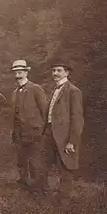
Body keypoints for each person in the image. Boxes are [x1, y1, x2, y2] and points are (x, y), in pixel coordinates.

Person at [42, 59, 84, 201]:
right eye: (53, 70)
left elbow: (77, 118)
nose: (55, 73)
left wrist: (72, 141)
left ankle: (63, 200)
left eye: (59, 70)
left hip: (64, 136)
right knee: (43, 164)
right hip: (49, 133)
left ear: (67, 72)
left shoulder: (73, 91)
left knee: (65, 167)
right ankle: (44, 195)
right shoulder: (54, 89)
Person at [9, 60, 48, 194]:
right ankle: (25, 187)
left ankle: (40, 190)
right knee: (21, 162)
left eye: (20, 72)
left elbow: (45, 111)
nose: (18, 75)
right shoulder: (15, 92)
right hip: (19, 133)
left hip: (34, 132)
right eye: (16, 72)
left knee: (35, 162)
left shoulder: (35, 88)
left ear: (26, 72)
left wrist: (45, 130)